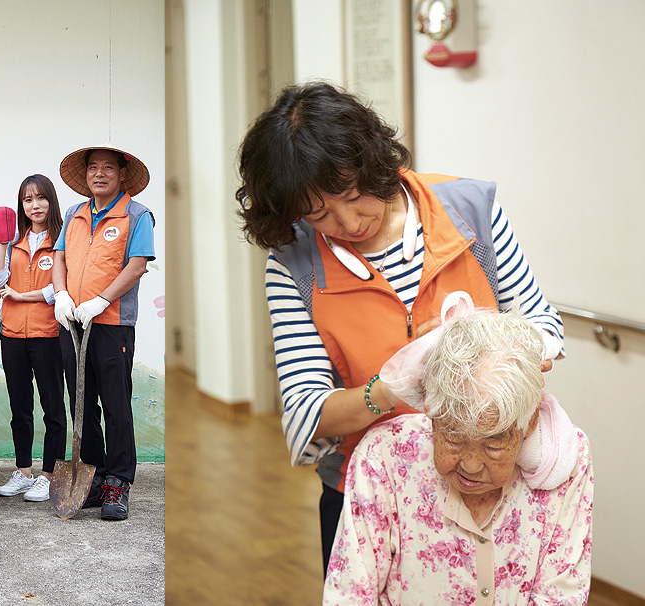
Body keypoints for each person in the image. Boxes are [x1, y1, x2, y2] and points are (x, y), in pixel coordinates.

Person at [235, 81, 565, 574]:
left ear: (373, 162)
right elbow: (307, 416)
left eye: (352, 194)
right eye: (319, 213)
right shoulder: (293, 264)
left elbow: (543, 327)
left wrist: (490, 343)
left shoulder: (470, 211)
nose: (348, 221)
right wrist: (388, 389)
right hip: (370, 494)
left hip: (492, 481)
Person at [322, 309, 592, 604]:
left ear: (528, 424)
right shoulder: (384, 456)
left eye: (494, 443)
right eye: (453, 437)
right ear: (431, 412)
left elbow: (560, 596)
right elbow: (349, 594)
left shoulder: (567, 461)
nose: (471, 465)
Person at [53, 144, 155, 521]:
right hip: (72, 321)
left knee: (115, 404)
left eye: (107, 168)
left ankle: (118, 481)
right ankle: (92, 474)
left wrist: (100, 300)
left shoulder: (137, 215)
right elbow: (59, 257)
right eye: (93, 167)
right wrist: (61, 295)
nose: (99, 173)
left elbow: (137, 265)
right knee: (81, 402)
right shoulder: (74, 213)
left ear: (122, 174)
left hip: (111, 324)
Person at [0, 175, 65, 502]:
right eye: (27, 200)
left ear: (51, 201)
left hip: (48, 334)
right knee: (20, 407)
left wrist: (23, 296)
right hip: (12, 335)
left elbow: (61, 287)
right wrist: (2, 244)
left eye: (40, 198)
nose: (34, 206)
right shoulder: (15, 242)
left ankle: (48, 475)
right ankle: (23, 472)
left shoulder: (62, 239)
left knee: (52, 408)